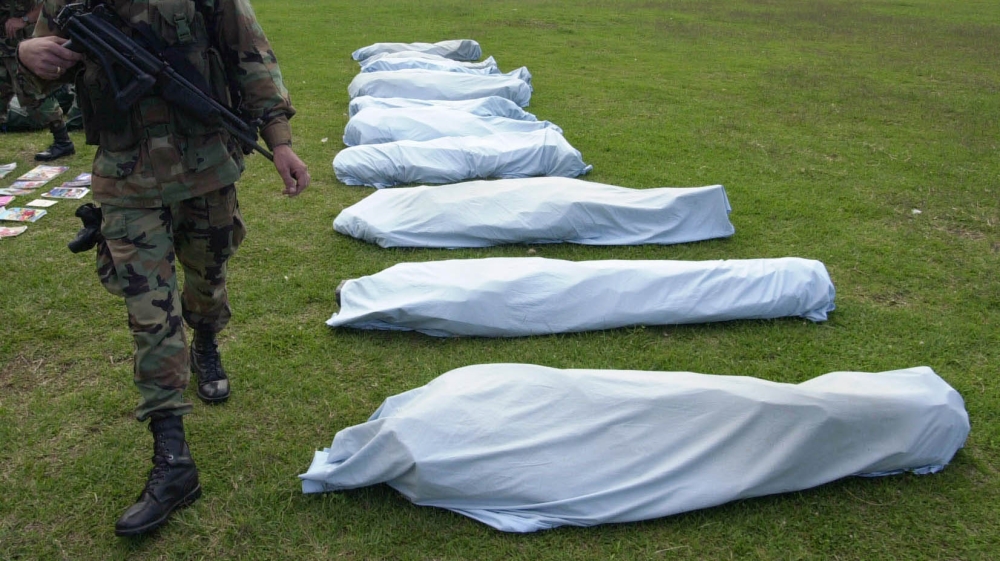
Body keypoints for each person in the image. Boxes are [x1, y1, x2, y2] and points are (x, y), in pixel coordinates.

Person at [18, 0, 310, 537]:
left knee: (207, 280)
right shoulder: (70, 3)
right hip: (125, 178)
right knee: (151, 316)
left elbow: (252, 58)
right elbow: (39, 87)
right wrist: (27, 53)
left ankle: (205, 339)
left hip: (207, 166)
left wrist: (282, 145)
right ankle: (173, 460)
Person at [0, 0, 74, 159]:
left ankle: (63, 141)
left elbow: (48, 4)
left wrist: (23, 20)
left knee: (35, 95)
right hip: (4, 47)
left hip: (22, 48)